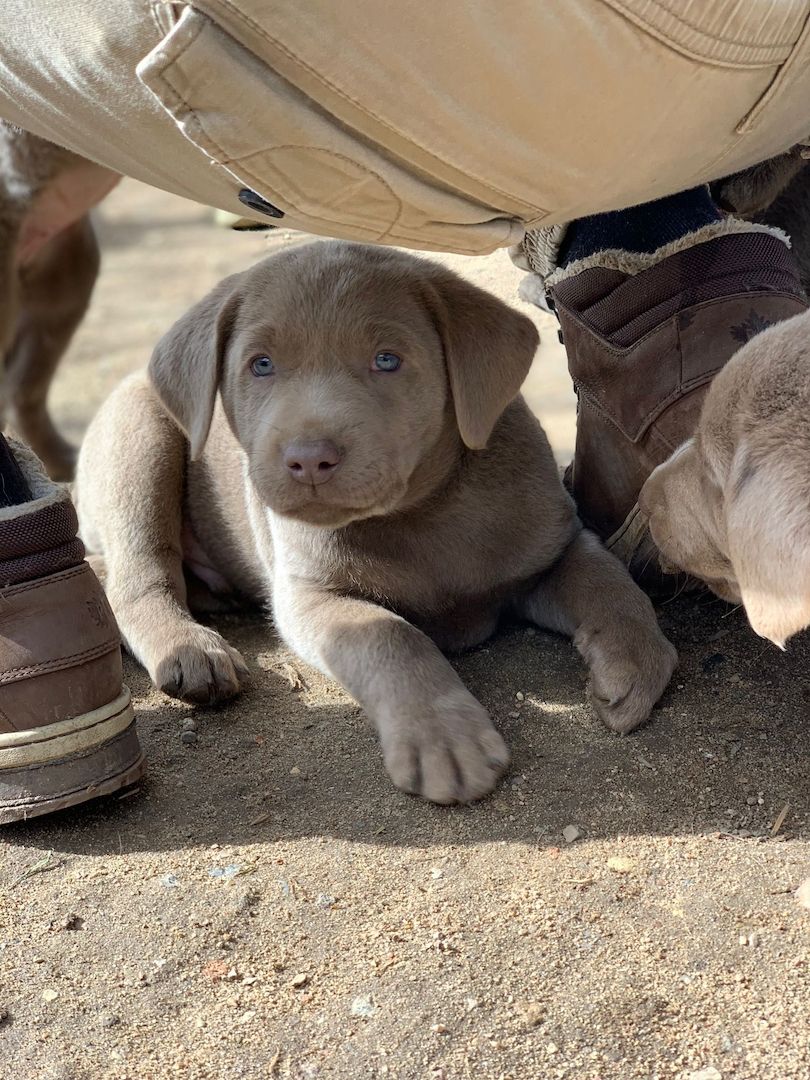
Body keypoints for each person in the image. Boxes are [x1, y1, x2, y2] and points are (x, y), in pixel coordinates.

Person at [1, 0, 809, 822]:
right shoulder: (254, 460)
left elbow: (559, 554)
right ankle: (142, 596)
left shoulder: (510, 473)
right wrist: (405, 680)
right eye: (262, 368)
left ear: (468, 373)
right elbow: (312, 604)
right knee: (136, 412)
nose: (311, 437)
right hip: (210, 540)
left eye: (387, 362)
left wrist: (618, 614)